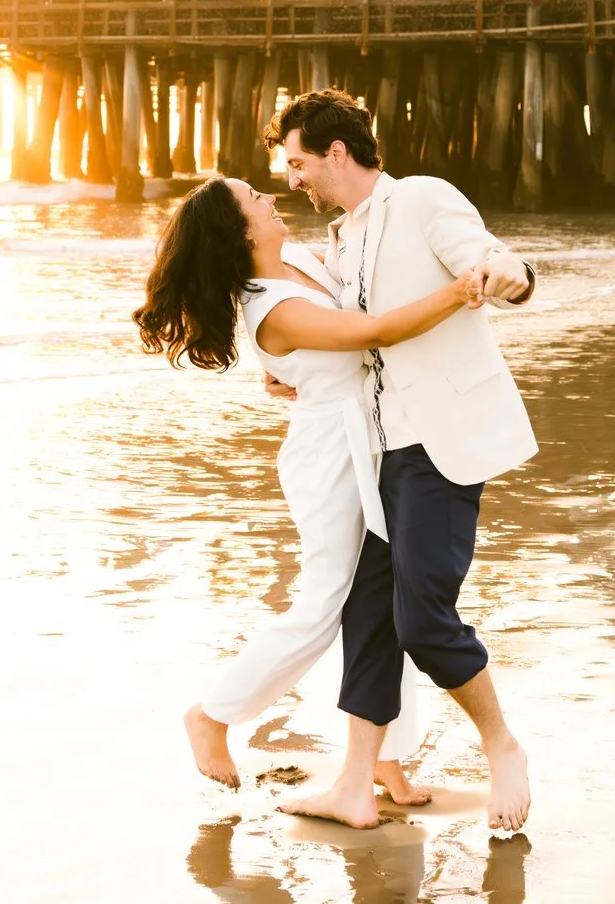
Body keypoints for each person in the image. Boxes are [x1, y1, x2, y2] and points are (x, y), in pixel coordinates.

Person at [135, 178, 489, 806]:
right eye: (254, 199)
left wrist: (283, 373)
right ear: (242, 231)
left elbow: (362, 291)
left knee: (380, 599)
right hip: (328, 454)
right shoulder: (269, 304)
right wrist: (460, 292)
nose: (271, 197)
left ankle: (386, 761)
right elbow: (373, 332)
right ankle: (212, 715)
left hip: (378, 434)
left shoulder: (297, 259)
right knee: (323, 604)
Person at [265, 89, 538, 834]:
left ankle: (501, 744)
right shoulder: (343, 237)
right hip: (374, 449)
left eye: (297, 162)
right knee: (368, 613)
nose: (292, 178)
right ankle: (355, 784)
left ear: (337, 153)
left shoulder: (420, 198)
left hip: (436, 440)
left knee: (422, 617)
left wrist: (509, 273)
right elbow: (357, 339)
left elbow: (487, 253)